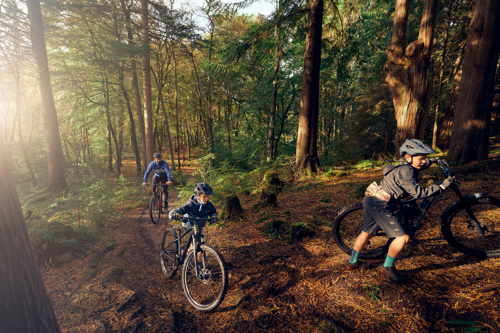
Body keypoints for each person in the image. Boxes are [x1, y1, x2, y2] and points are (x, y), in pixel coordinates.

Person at [346, 139, 454, 283]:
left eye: (425, 158)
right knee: (403, 238)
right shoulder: (407, 171)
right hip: (381, 205)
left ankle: (352, 262)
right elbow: (419, 193)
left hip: (372, 199)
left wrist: (433, 161)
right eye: (421, 158)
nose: (423, 161)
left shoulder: (404, 164)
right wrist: (441, 186)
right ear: (408, 157)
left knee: (366, 233)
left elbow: (419, 166)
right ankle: (387, 267)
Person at [169, 182, 218, 262]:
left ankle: (189, 260)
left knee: (194, 243)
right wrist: (174, 214)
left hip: (200, 225)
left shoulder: (209, 205)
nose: (206, 199)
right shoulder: (190, 204)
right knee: (197, 246)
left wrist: (214, 216)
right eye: (204, 196)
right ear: (198, 196)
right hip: (189, 224)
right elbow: (179, 210)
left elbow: (213, 212)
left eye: (208, 196)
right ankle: (196, 267)